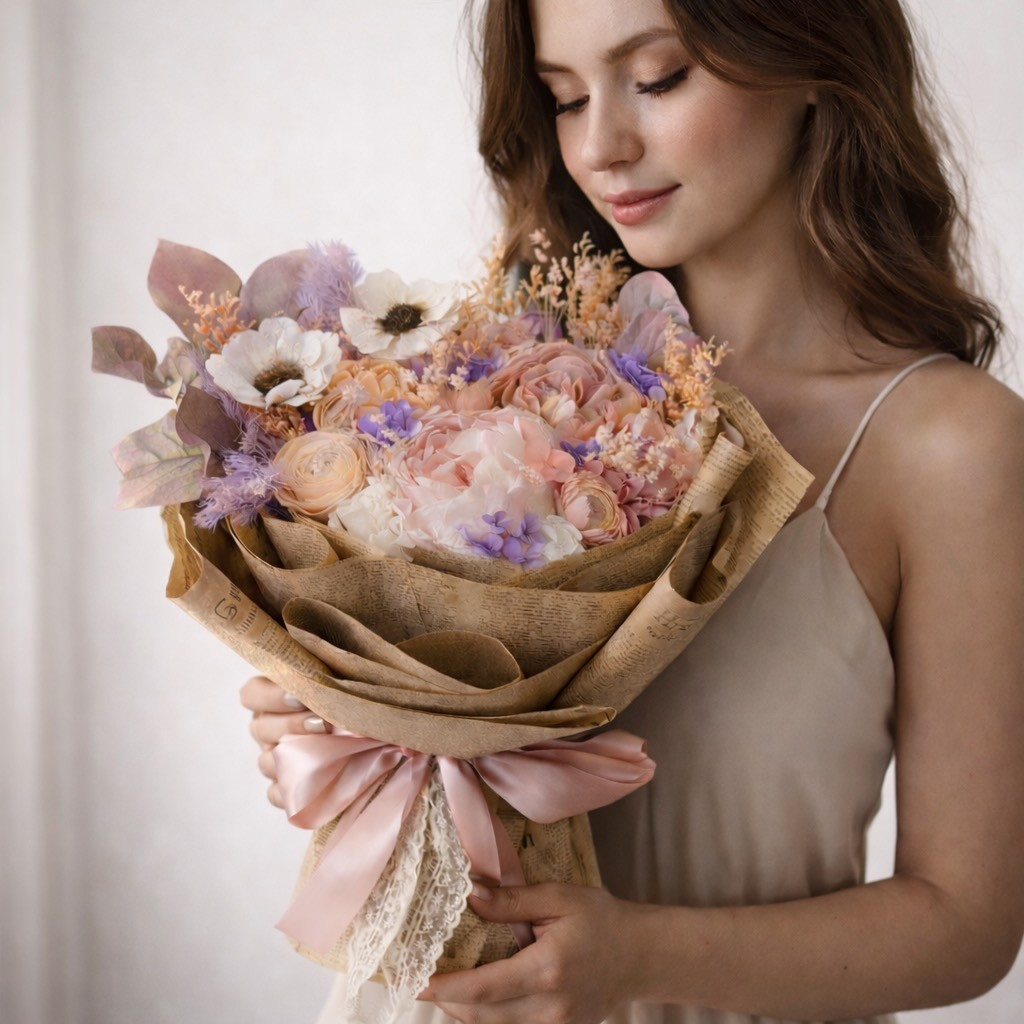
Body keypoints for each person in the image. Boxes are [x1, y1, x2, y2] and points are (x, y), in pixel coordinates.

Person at [241, 0, 1024, 1020]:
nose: (600, 147)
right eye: (565, 98)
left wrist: (638, 958)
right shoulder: (489, 391)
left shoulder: (948, 446)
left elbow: (966, 924)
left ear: (810, 58)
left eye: (658, 78)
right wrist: (342, 736)